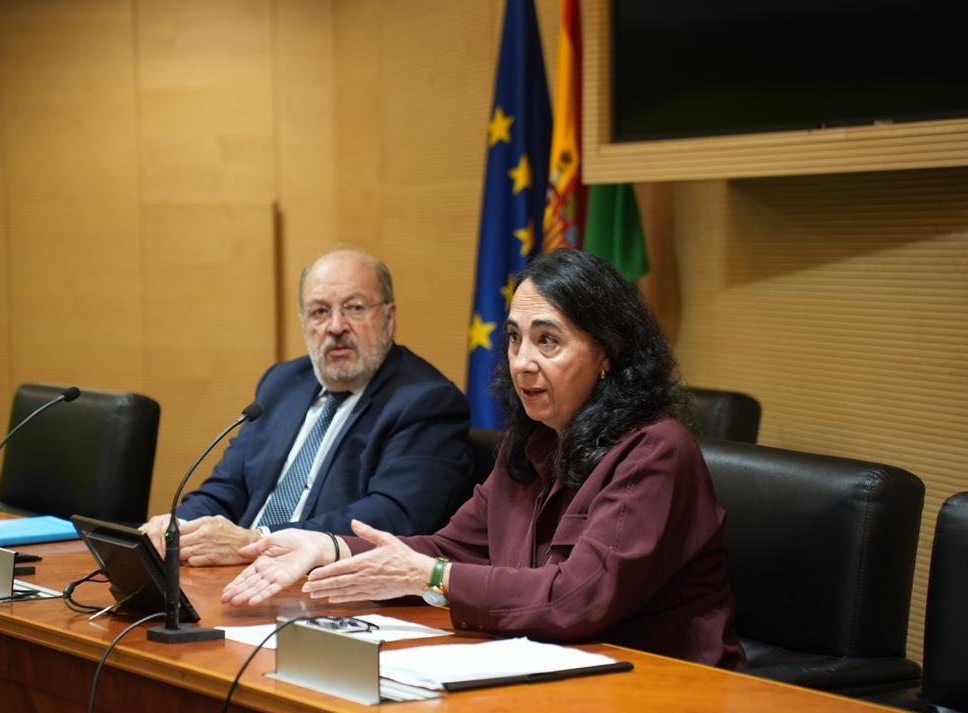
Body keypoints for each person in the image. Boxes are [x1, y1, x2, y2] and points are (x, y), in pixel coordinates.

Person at [221, 248, 746, 669]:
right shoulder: (533, 443)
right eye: (515, 340)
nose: (522, 363)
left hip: (663, 687)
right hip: (550, 670)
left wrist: (433, 579)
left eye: (548, 342)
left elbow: (578, 596)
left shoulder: (654, 448)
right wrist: (326, 546)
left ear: (607, 353)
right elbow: (452, 548)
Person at [143, 247, 473, 566]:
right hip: (237, 574)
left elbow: (391, 517)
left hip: (327, 589)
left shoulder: (426, 402)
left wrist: (257, 542)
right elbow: (228, 488)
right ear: (304, 322)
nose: (336, 326)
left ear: (389, 317)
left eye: (355, 308)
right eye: (319, 312)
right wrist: (179, 527)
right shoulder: (282, 383)